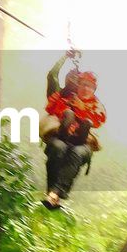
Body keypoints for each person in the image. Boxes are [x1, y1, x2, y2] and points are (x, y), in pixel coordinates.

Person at [41, 52, 106, 210]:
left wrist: (82, 108)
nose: (85, 88)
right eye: (82, 84)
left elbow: (99, 120)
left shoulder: (95, 104)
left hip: (81, 143)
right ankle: (54, 194)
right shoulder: (63, 96)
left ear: (94, 89)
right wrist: (65, 57)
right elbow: (52, 80)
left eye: (89, 86)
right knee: (58, 147)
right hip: (61, 138)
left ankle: (55, 193)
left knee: (77, 152)